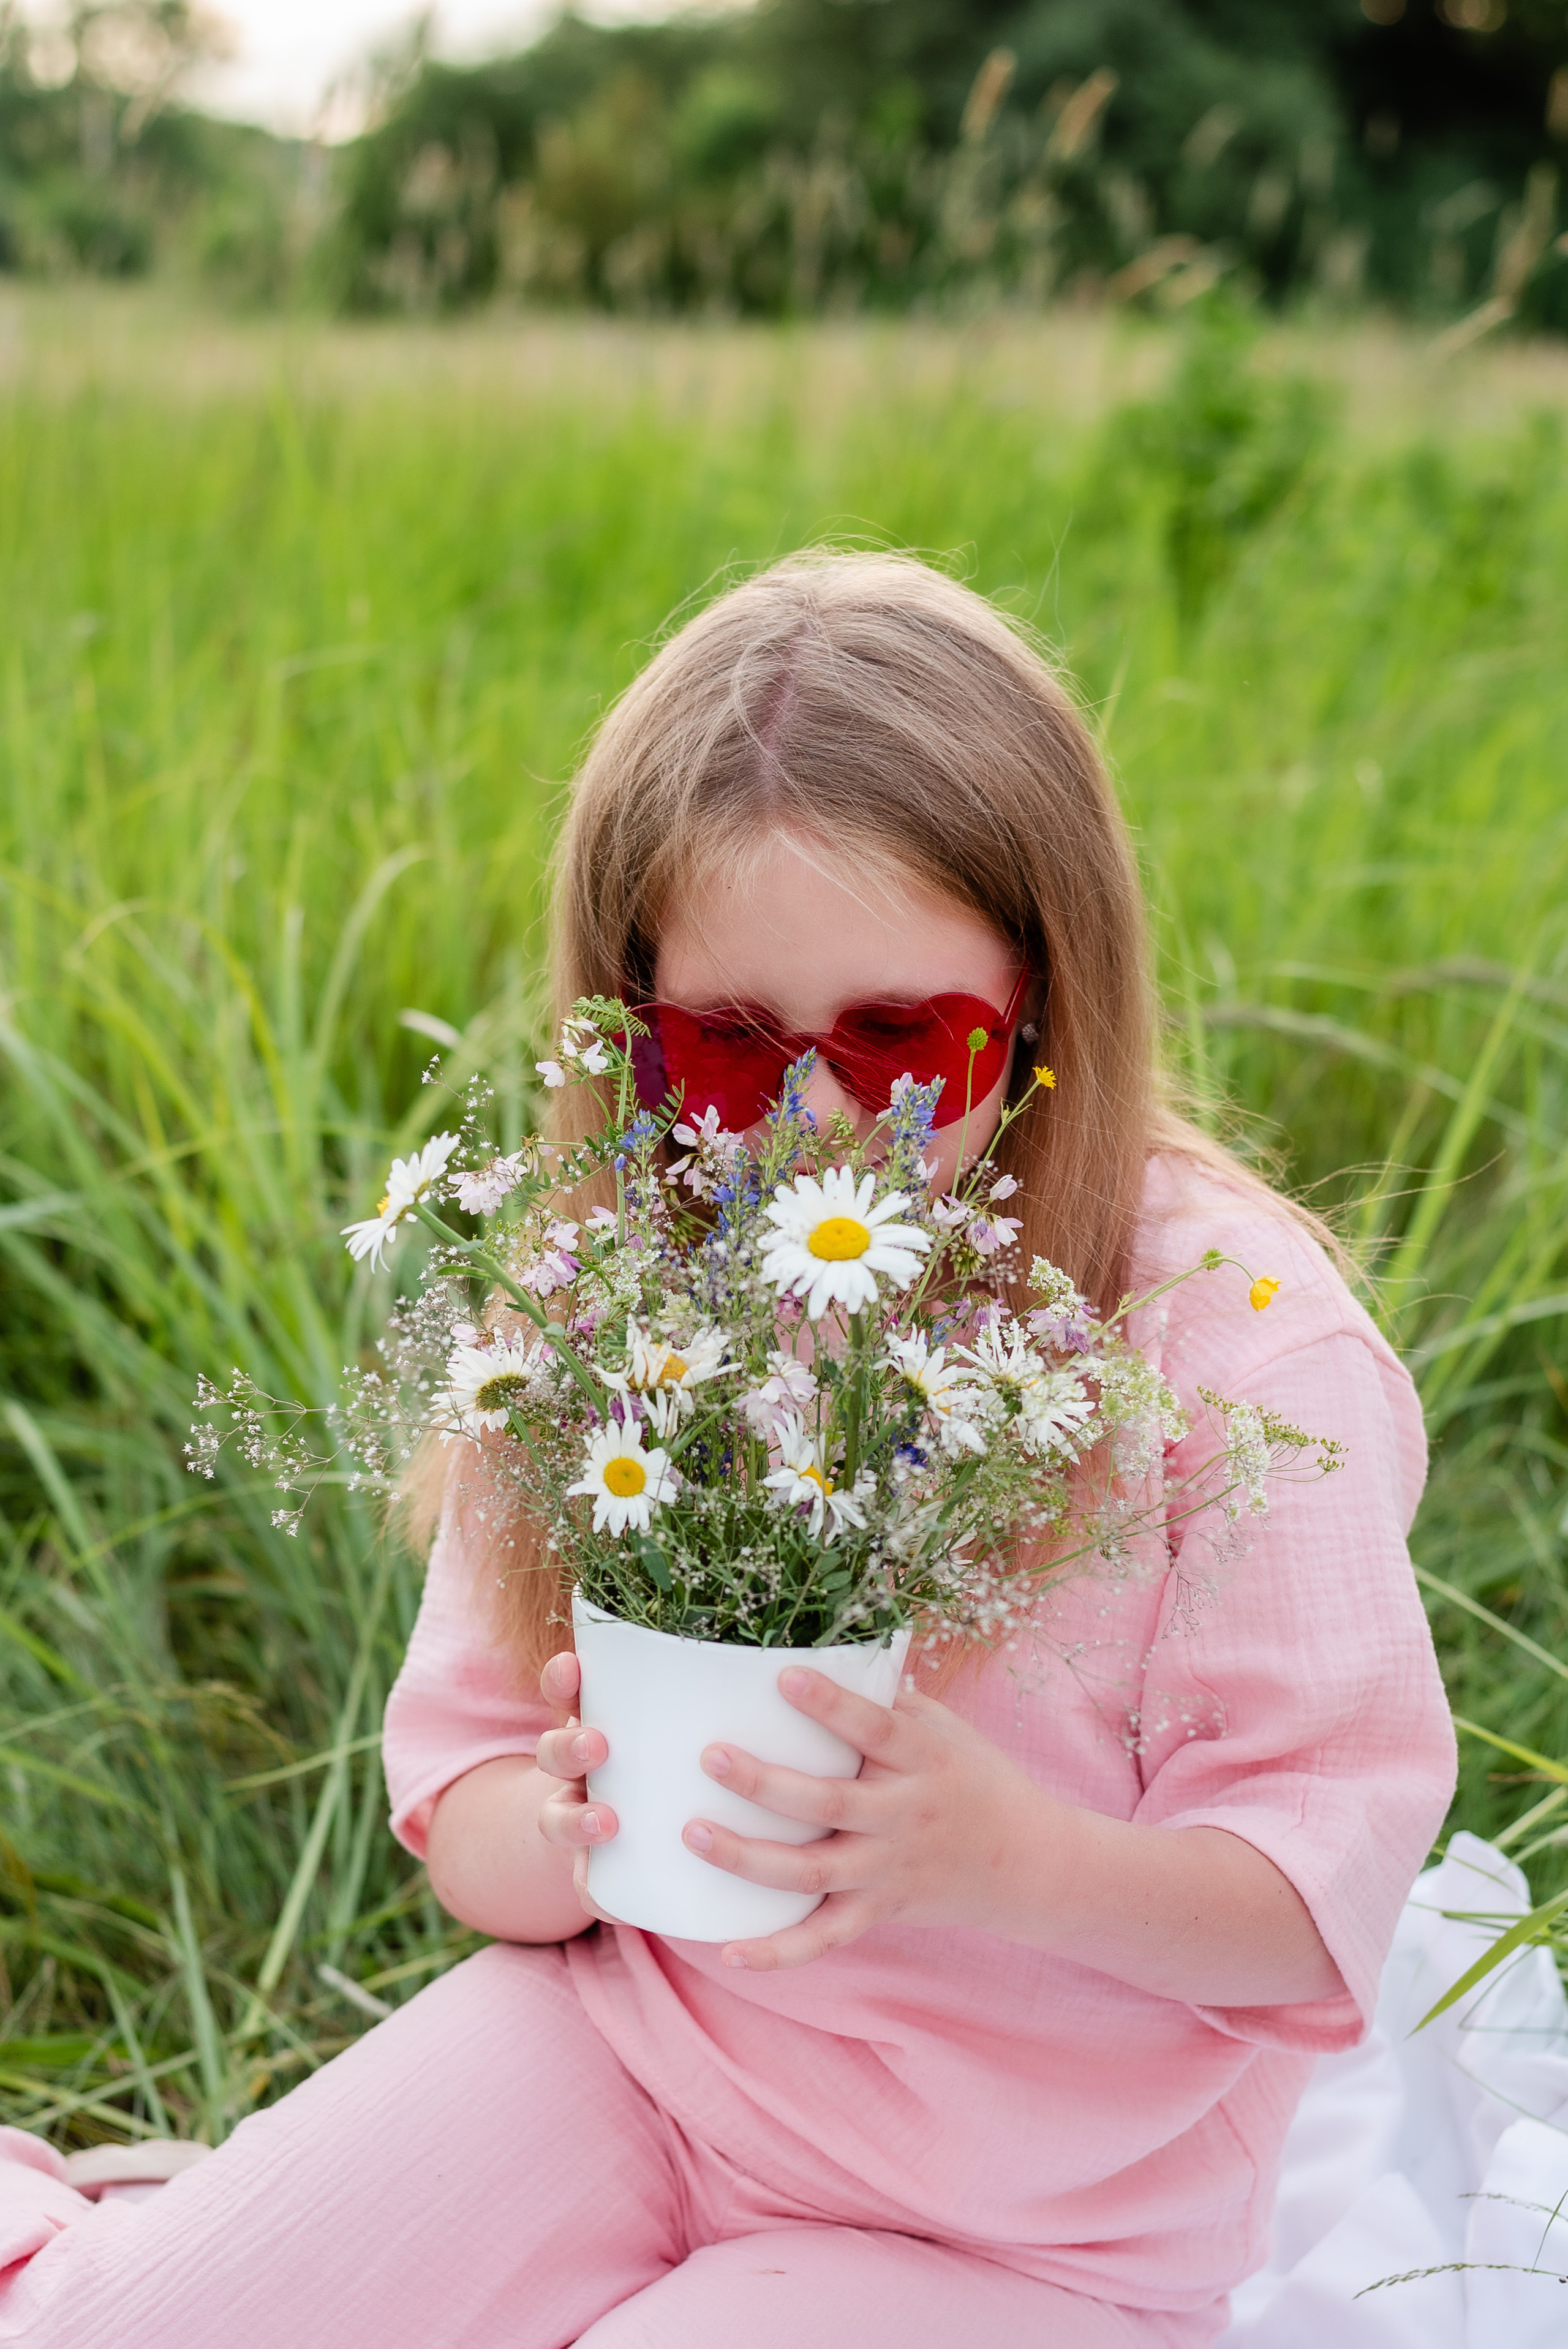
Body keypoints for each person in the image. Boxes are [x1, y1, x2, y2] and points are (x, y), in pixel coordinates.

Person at [0, 553, 1455, 2347]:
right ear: (632, 1016)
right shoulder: (619, 1286)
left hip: (1024, 2222)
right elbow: (465, 1789)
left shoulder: (1231, 1337)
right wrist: (579, 1826)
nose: (827, 1116)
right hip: (632, 2057)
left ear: (1049, 1001)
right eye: (732, 1046)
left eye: (908, 1036)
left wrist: (997, 1853)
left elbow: (1322, 1903)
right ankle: (156, 2238)